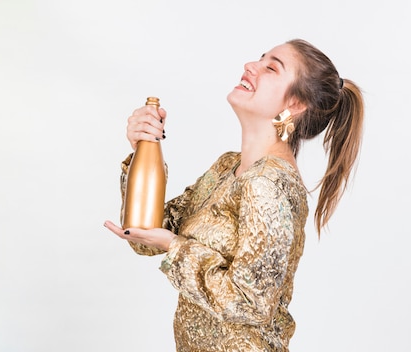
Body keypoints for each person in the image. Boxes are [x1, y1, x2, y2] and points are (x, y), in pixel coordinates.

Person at [103, 38, 364, 352]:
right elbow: (146, 235)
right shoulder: (229, 167)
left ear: (294, 105)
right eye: (260, 58)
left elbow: (250, 304)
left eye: (271, 68)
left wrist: (174, 248)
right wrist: (143, 149)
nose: (250, 66)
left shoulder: (271, 183)